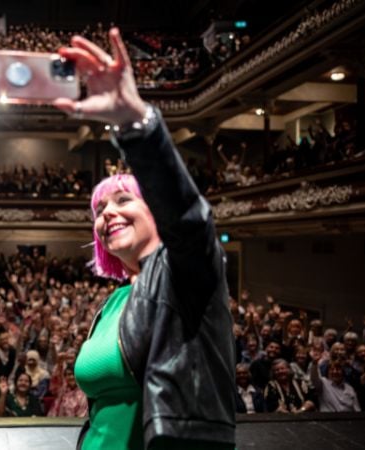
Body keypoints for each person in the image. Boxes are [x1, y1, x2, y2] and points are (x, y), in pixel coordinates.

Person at [54, 28, 235, 449]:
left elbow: (189, 221)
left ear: (156, 206)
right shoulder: (115, 300)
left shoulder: (185, 272)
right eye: (99, 210)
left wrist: (134, 124)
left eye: (122, 200)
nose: (108, 213)